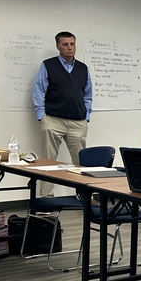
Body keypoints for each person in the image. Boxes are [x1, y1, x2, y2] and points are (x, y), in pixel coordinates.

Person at [32, 31, 92, 194]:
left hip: (77, 122)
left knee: (81, 162)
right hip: (53, 120)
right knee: (48, 161)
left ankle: (85, 196)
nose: (69, 48)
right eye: (65, 44)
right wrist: (42, 116)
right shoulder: (48, 65)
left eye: (72, 44)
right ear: (58, 46)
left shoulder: (82, 68)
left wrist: (86, 116)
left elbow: (88, 94)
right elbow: (38, 90)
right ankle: (46, 197)